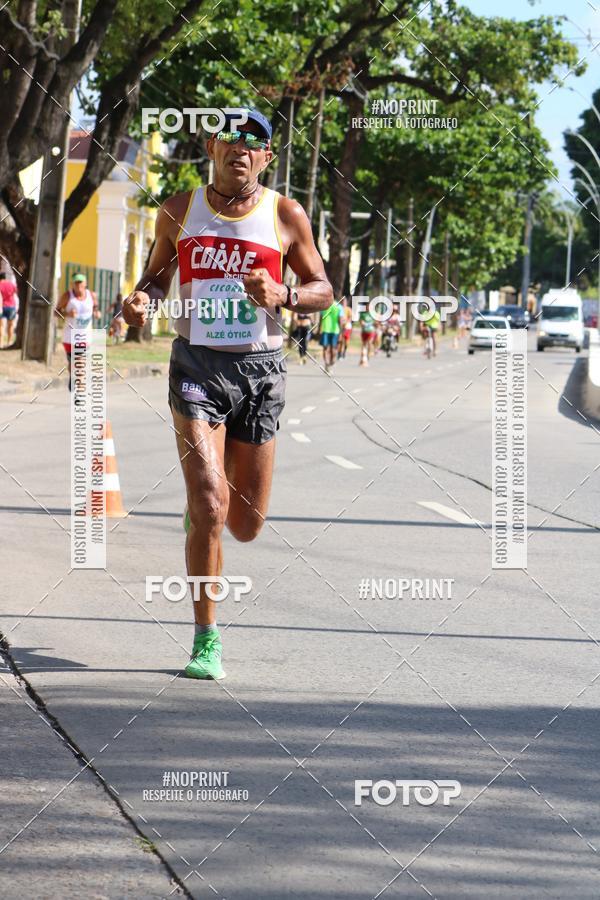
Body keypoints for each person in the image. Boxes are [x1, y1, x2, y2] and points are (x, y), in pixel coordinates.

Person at [122, 108, 333, 680]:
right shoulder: (178, 210)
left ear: (266, 157)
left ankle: (205, 519)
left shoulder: (285, 214)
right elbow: (155, 278)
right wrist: (142, 301)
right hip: (195, 364)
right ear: (211, 147)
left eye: (254, 140)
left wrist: (284, 293)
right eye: (230, 137)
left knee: (244, 523)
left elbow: (324, 290)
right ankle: (205, 640)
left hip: (261, 371)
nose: (241, 146)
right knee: (211, 502)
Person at [55, 274, 100, 391]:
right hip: (70, 337)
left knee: (80, 362)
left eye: (81, 282)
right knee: (73, 362)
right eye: (76, 283)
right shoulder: (67, 296)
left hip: (85, 336)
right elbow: (56, 312)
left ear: (85, 284)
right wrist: (67, 314)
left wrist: (96, 313)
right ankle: (73, 377)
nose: (78, 285)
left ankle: (79, 391)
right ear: (72, 284)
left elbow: (95, 307)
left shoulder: (91, 295)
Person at [319, 300, 344, 372]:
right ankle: (331, 363)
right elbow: (340, 321)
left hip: (325, 329)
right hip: (335, 330)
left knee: (325, 348)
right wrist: (341, 333)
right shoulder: (339, 307)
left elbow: (321, 319)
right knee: (333, 348)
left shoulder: (324, 305)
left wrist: (318, 330)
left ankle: (327, 364)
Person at [0, 272, 19, 348]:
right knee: (10, 325)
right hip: (11, 306)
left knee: (1, 326)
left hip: (2, 307)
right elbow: (16, 292)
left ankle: (1, 342)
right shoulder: (11, 284)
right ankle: (9, 341)